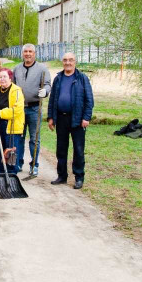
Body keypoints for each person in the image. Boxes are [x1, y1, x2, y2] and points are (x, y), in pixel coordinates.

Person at [47, 52, 94, 189]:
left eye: (71, 60)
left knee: (78, 150)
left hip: (78, 120)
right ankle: (62, 176)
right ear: (62, 62)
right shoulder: (58, 78)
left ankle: (79, 177)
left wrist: (86, 117)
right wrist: (51, 117)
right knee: (61, 149)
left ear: (75, 62)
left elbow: (89, 100)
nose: (68, 62)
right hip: (61, 118)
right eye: (65, 60)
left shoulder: (82, 78)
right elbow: (52, 100)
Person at [12, 43, 51, 179]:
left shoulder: (42, 69)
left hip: (35, 108)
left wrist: (45, 91)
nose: (28, 54)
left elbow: (47, 84)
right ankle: (18, 163)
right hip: (19, 109)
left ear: (34, 53)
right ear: (22, 54)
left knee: (34, 139)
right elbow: (12, 86)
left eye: (30, 51)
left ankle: (34, 165)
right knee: (19, 137)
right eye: (25, 51)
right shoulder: (16, 68)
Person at [0, 69, 25, 179]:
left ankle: (12, 175)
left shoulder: (16, 91)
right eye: (0, 77)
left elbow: (17, 110)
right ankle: (1, 174)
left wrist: (0, 113)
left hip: (11, 126)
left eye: (4, 77)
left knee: (11, 152)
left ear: (10, 78)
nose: (2, 79)